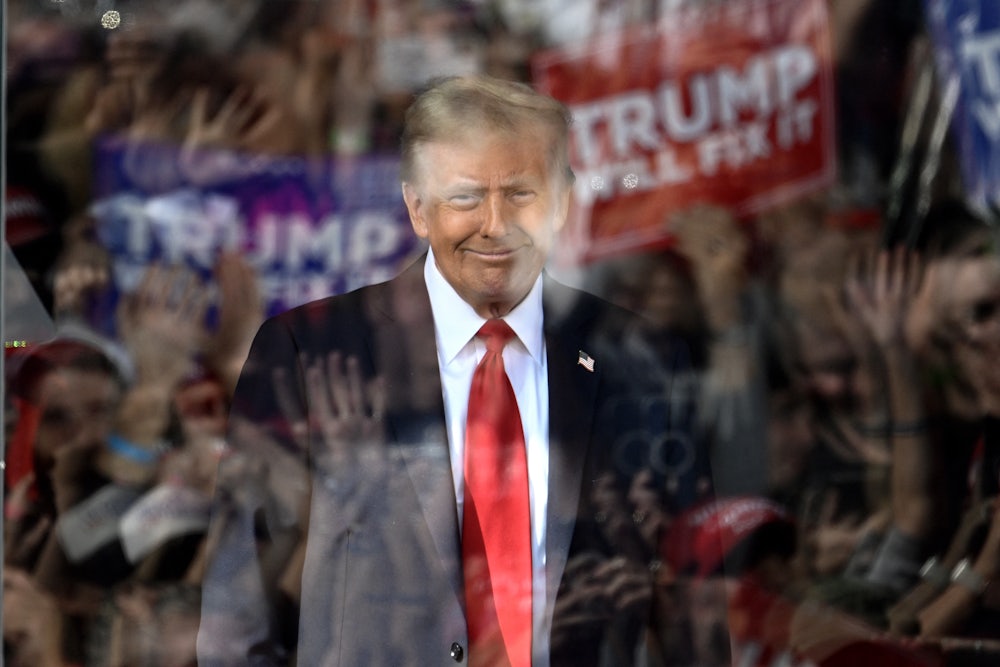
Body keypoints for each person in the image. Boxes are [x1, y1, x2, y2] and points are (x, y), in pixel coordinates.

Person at [196, 75, 702, 666]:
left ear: (563, 202)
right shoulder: (308, 351)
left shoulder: (637, 358)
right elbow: (236, 611)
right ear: (418, 208)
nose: (496, 224)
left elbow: (692, 599)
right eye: (466, 197)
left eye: (522, 193)